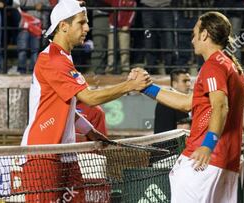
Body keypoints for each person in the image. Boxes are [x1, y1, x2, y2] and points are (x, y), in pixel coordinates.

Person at [20, 0, 151, 202]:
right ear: (63, 26)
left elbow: (65, 107)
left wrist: (89, 130)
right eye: (81, 23)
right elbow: (89, 98)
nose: (87, 28)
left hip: (65, 153)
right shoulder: (53, 60)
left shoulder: (64, 57)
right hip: (42, 155)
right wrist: (129, 85)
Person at [140, 12, 244, 202]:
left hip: (204, 159)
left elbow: (220, 107)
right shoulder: (231, 66)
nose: (192, 40)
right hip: (226, 162)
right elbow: (187, 103)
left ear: (204, 34)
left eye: (194, 33)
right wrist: (147, 88)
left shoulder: (213, 66)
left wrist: (207, 145)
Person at [154, 68, 191, 133]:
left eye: (189, 81)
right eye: (184, 81)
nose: (188, 84)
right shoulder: (166, 101)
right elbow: (163, 131)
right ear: (174, 84)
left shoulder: (185, 99)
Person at [104, 0, 136, 74]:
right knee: (111, 48)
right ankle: (110, 69)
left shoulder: (132, 1)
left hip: (124, 28)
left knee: (124, 49)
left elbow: (132, 13)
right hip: (113, 26)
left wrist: (128, 24)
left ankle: (125, 69)